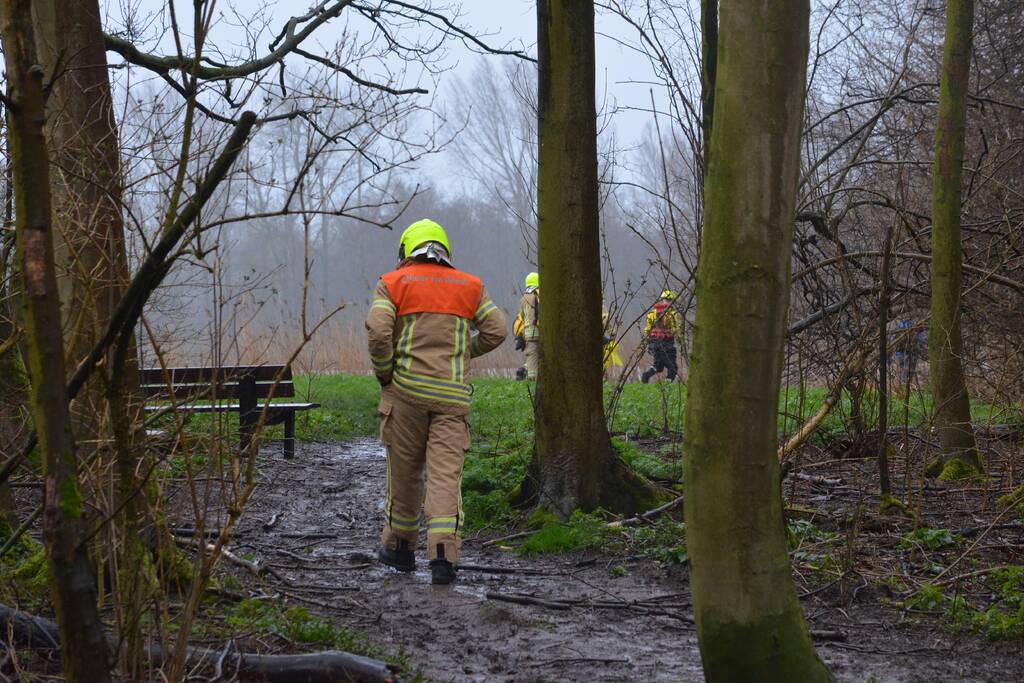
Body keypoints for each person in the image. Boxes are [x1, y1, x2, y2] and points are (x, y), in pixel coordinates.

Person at [366, 219, 506, 584]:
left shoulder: (392, 283)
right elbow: (498, 330)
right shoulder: (471, 286)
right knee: (445, 477)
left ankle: (399, 548)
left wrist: (385, 372)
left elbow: (379, 333)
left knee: (405, 472)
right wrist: (461, 353)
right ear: (445, 250)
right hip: (451, 399)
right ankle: (444, 556)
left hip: (406, 395)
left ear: (407, 251)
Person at [641, 290, 682, 384]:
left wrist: (651, 341)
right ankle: (667, 386)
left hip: (655, 344)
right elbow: (676, 329)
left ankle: (645, 376)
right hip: (668, 345)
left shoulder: (652, 314)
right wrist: (680, 339)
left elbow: (647, 330)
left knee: (658, 367)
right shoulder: (673, 314)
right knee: (673, 368)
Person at [513, 272, 540, 380]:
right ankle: (534, 379)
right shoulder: (539, 295)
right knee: (539, 356)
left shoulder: (523, 298)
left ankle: (528, 376)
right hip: (540, 331)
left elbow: (520, 318)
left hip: (527, 334)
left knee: (532, 356)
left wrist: (519, 334)